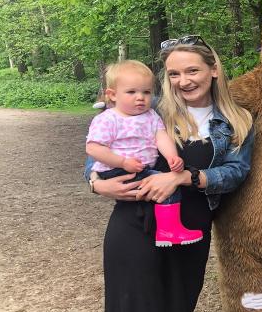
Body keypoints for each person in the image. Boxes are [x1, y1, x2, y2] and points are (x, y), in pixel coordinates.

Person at [86, 36, 255, 312]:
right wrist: (96, 183)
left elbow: (237, 173)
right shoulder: (150, 107)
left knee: (177, 305)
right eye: (174, 73)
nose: (183, 80)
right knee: (139, 304)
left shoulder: (238, 121)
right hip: (135, 219)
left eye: (192, 70)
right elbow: (101, 147)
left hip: (192, 224)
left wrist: (184, 177)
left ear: (213, 70)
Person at [85, 60, 203, 247]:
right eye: (131, 92)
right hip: (117, 170)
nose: (140, 98)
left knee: (162, 183)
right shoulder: (108, 119)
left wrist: (173, 157)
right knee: (168, 187)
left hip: (138, 168)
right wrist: (122, 162)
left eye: (146, 92)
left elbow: (161, 137)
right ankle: (168, 230)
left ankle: (164, 230)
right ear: (112, 95)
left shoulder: (151, 115)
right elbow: (93, 148)